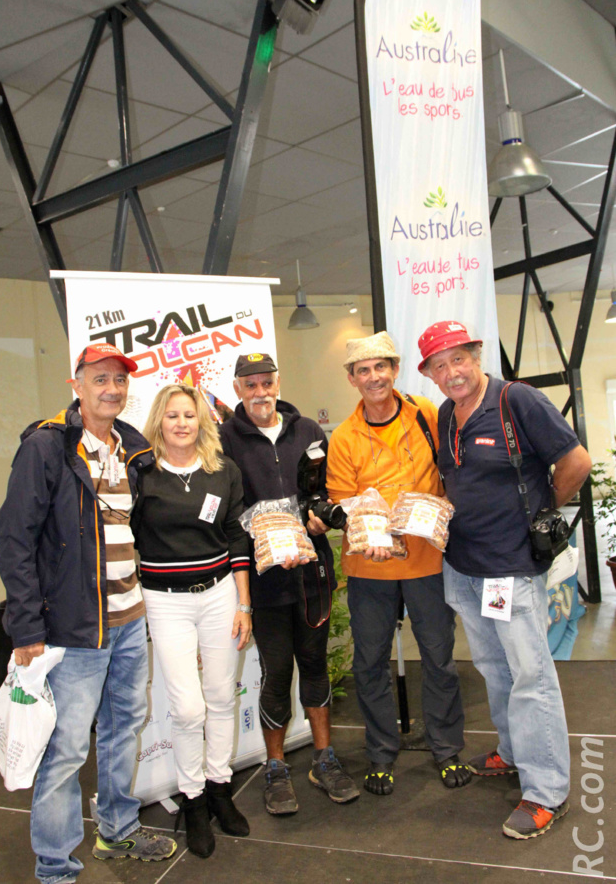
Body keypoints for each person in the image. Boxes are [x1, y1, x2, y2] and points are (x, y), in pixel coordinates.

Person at [0, 342, 176, 884]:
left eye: (119, 381)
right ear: (76, 384)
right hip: (74, 630)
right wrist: (25, 628)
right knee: (68, 748)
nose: (111, 389)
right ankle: (55, 865)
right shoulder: (47, 448)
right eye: (99, 379)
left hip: (128, 618)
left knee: (125, 728)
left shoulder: (133, 450)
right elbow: (15, 540)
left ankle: (117, 830)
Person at [418, 319, 592, 839]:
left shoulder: (519, 401)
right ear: (429, 373)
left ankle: (546, 791)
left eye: (460, 358)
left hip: (512, 567)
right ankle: (514, 752)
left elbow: (576, 460)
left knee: (532, 676)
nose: (452, 372)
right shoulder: (447, 415)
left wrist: (540, 513)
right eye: (440, 365)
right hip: (464, 567)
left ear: (477, 355)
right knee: (495, 669)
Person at [326, 331, 470, 795]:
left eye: (381, 367)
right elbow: (342, 501)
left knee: (440, 659)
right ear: (352, 379)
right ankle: (381, 753)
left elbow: (452, 471)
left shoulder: (428, 414)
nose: (374, 378)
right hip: (371, 569)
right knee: (369, 663)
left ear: (396, 369)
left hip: (428, 563)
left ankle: (447, 749)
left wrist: (441, 511)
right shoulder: (345, 437)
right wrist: (368, 535)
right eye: (363, 370)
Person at [219, 353, 359, 816]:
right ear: (238, 389)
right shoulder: (223, 439)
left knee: (315, 664)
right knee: (276, 673)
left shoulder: (308, 432)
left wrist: (320, 520)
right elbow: (226, 509)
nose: (260, 392)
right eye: (250, 384)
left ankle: (324, 758)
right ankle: (276, 766)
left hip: (312, 572)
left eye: (267, 382)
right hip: (264, 580)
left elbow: (323, 493)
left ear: (278, 382)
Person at [131, 384, 252, 859]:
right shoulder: (141, 473)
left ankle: (220, 786)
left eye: (190, 415)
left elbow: (236, 538)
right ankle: (194, 799)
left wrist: (244, 604)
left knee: (222, 696)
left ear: (202, 420)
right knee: (186, 709)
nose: (182, 423)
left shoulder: (223, 471)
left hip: (220, 595)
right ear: (159, 420)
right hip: (165, 601)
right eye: (173, 415)